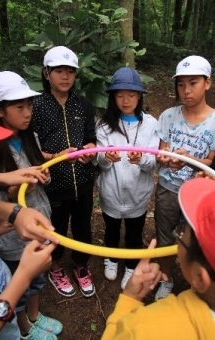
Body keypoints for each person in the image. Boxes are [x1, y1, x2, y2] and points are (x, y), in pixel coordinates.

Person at [0, 72, 63, 339]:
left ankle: (35, 316)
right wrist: (13, 192)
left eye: (29, 105)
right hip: (10, 237)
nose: (27, 112)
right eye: (19, 107)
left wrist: (44, 175)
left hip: (39, 222)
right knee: (17, 287)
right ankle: (23, 329)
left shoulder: (30, 136)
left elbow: (43, 172)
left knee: (37, 280)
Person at [102, 177, 215, 339]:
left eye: (181, 232)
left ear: (199, 277)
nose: (179, 234)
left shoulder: (144, 329)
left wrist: (129, 300)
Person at [32, 45, 96, 298]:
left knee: (83, 226)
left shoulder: (82, 105)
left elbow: (91, 138)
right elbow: (30, 149)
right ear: (47, 73)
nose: (65, 76)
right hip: (51, 185)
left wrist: (90, 149)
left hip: (83, 182)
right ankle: (55, 265)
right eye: (59, 70)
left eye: (70, 71)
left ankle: (81, 265)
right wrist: (55, 158)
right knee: (54, 228)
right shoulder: (35, 105)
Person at [154, 55, 215, 301]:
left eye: (193, 83)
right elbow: (160, 153)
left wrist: (190, 159)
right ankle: (166, 278)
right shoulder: (168, 116)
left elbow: (210, 161)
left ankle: (197, 284)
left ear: (207, 83)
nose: (186, 91)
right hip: (168, 188)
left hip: (199, 194)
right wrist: (168, 159)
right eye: (181, 84)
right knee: (165, 233)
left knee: (199, 239)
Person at [96, 67, 159, 289]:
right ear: (112, 96)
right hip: (111, 192)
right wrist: (107, 157)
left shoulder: (151, 124)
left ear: (139, 95)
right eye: (120, 94)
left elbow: (153, 163)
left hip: (137, 194)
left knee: (134, 232)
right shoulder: (103, 124)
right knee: (111, 229)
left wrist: (141, 159)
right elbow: (100, 164)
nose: (126, 100)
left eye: (131, 94)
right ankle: (111, 258)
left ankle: (131, 265)